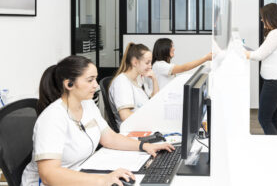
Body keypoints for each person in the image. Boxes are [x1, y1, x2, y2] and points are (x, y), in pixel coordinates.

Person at [21, 55, 174, 186]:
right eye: (90, 80)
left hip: (81, 172)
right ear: (69, 84)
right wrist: (103, 180)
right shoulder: (52, 118)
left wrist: (145, 146)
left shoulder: (87, 104)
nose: (95, 85)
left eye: (95, 79)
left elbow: (109, 138)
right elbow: (49, 175)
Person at [245, 3, 277, 135]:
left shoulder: (276, 33)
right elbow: (264, 52)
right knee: (275, 119)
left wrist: (241, 52)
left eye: (263, 17)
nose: (261, 20)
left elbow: (258, 55)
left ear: (271, 18)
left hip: (274, 82)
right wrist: (249, 52)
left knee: (264, 119)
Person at [109, 43, 159, 127]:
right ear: (135, 62)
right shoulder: (122, 82)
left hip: (142, 125)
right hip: (132, 130)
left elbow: (155, 100)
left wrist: (154, 79)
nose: (150, 66)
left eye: (151, 62)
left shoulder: (139, 79)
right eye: (147, 63)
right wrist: (150, 120)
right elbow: (125, 115)